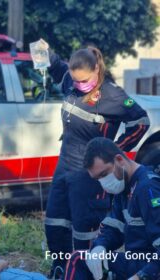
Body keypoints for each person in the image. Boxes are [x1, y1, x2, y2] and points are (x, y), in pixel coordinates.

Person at [40, 41, 150, 277]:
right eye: (74, 80)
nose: (78, 85)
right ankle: (60, 266)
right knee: (55, 222)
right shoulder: (72, 80)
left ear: (96, 72)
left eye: (83, 80)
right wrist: (41, 50)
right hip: (65, 166)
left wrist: (115, 150)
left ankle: (88, 271)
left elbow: (141, 121)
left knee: (85, 229)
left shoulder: (112, 94)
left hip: (90, 174)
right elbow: (57, 66)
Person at [65, 137, 160, 280]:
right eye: (98, 179)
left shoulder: (147, 189)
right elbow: (113, 228)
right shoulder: (124, 187)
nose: (104, 182)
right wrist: (99, 247)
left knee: (77, 260)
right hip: (136, 261)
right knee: (87, 260)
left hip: (150, 266)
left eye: (104, 174)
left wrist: (139, 277)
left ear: (119, 160)